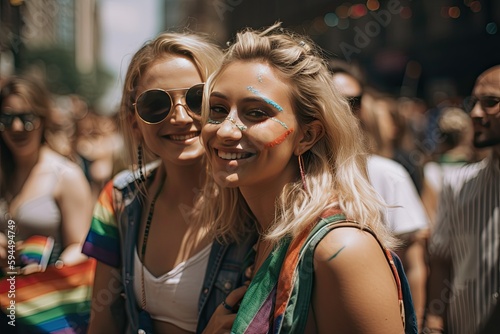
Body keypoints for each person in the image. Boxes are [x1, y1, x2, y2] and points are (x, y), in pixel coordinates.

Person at [199, 24, 416, 333]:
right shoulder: (253, 236)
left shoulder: (343, 250)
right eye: (218, 109)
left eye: (256, 113)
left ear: (307, 135)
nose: (225, 129)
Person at [82, 31, 254, 334]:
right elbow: (103, 318)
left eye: (196, 98)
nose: (179, 117)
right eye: (155, 104)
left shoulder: (255, 203)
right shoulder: (119, 197)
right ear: (134, 122)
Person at [329, 58, 429, 330]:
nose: (345, 111)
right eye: (333, 101)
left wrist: (416, 325)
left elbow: (414, 265)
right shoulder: (289, 175)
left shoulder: (388, 174)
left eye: (354, 102)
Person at [0, 74, 93, 332]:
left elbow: (81, 245)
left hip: (45, 315)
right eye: (6, 119)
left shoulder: (66, 176)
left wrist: (51, 273)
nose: (16, 127)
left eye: (27, 118)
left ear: (42, 120)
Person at [425, 65, 500, 334]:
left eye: (491, 103)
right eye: (474, 103)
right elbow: (441, 261)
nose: (476, 113)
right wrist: (434, 323)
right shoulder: (456, 184)